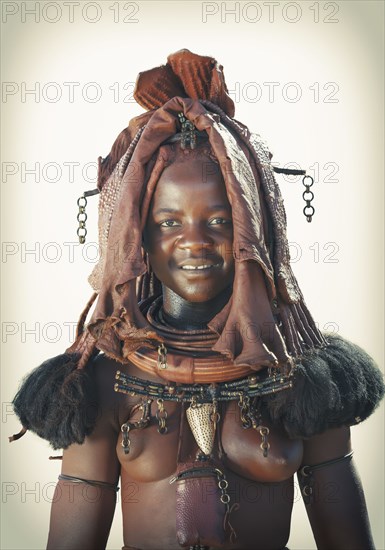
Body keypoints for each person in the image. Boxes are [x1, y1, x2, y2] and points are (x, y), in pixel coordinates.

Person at [11, 50, 384, 550]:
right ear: (135, 239)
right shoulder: (102, 384)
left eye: (221, 221)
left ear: (256, 231)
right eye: (168, 223)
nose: (195, 242)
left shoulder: (305, 380)